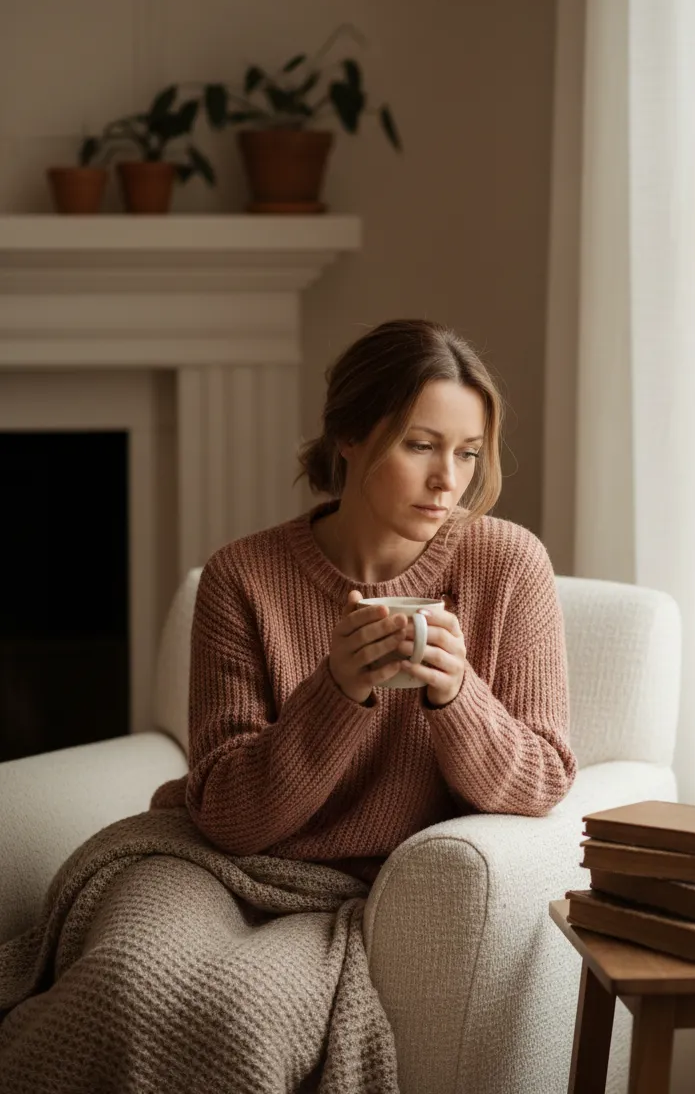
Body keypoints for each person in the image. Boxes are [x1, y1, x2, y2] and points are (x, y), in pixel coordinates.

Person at [0, 317, 576, 1094]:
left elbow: (542, 781)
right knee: (126, 982)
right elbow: (229, 816)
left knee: (239, 1020)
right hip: (208, 862)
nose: (451, 481)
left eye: (468, 452)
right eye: (420, 445)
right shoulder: (242, 577)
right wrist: (335, 694)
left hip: (353, 894)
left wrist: (456, 694)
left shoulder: (507, 565)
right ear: (348, 437)